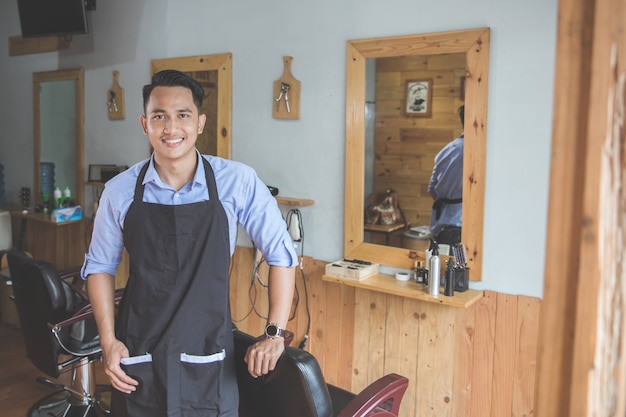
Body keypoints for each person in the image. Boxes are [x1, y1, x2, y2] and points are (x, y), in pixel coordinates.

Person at [81, 69, 297, 417]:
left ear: (200, 122)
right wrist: (109, 341)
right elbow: (99, 268)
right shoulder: (119, 191)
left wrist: (274, 334)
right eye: (159, 116)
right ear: (144, 123)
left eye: (182, 115)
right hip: (138, 351)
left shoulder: (237, 181)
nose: (171, 128)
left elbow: (282, 254)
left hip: (209, 353)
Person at [428, 105, 465, 246]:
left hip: (441, 226)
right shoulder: (474, 153)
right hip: (459, 227)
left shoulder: (446, 150)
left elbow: (432, 189)